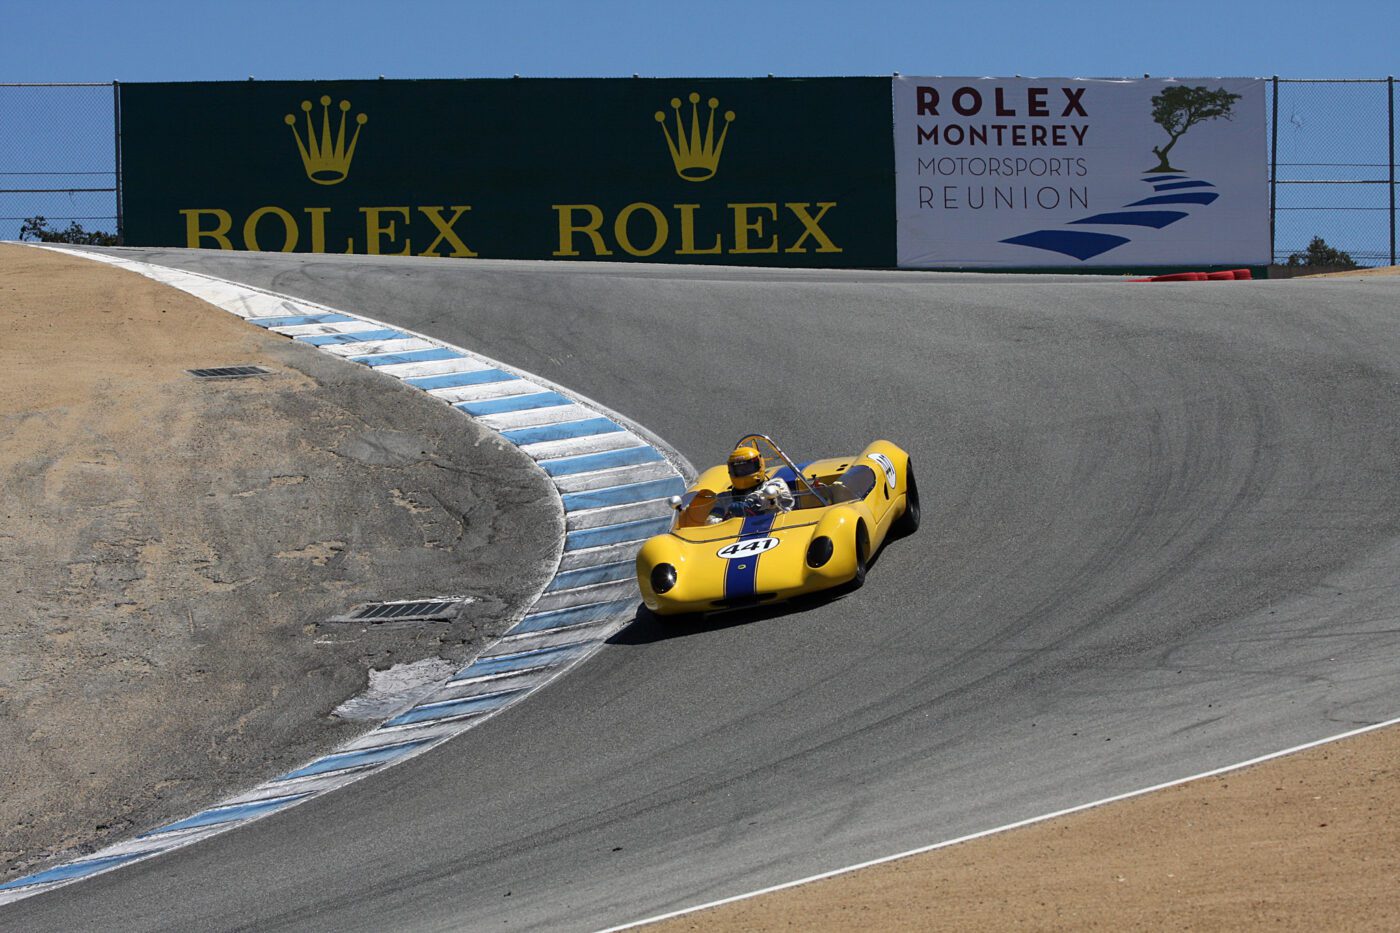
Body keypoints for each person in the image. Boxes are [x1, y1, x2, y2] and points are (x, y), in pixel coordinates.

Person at [726, 445, 794, 515]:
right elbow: (716, 516)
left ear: (760, 465)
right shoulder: (726, 497)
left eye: (747, 468)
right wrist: (716, 519)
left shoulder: (776, 484)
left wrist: (749, 504)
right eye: (739, 469)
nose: (743, 471)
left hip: (779, 523)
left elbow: (764, 497)